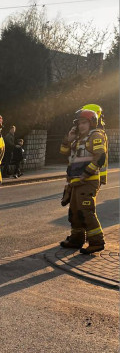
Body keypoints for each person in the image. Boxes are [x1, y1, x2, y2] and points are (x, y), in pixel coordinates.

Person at [59, 107, 106, 253]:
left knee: (86, 211)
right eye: (79, 123)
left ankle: (97, 242)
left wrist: (85, 175)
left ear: (92, 123)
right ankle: (76, 239)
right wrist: (69, 139)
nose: (81, 126)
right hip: (75, 181)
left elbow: (100, 157)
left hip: (88, 180)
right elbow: (63, 152)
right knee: (74, 212)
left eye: (84, 123)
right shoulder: (78, 138)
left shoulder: (96, 135)